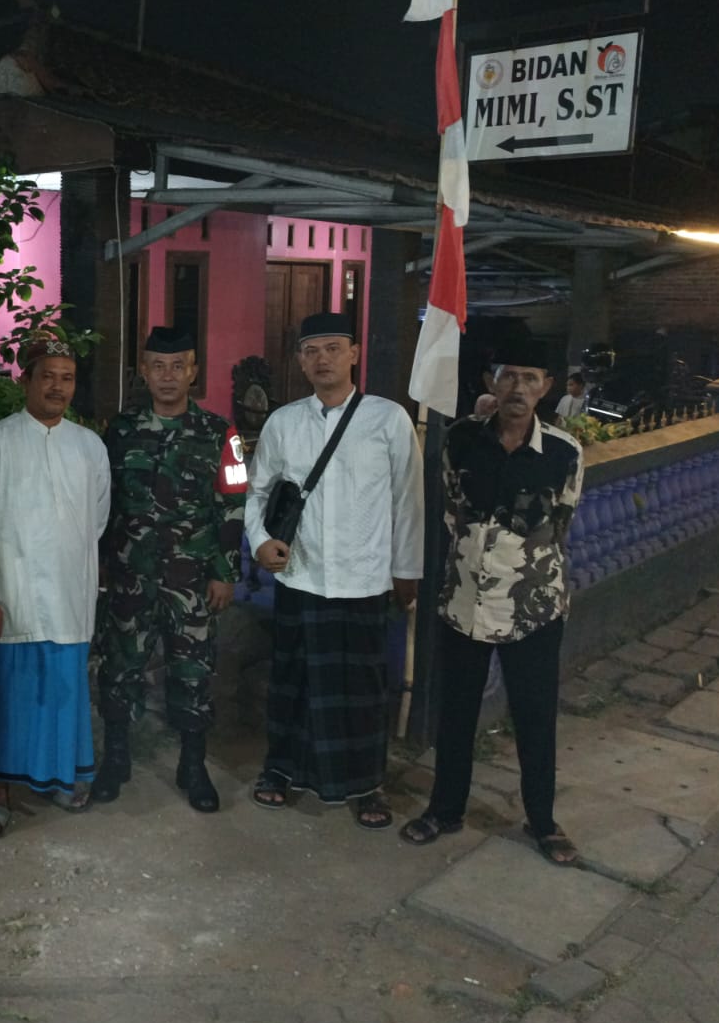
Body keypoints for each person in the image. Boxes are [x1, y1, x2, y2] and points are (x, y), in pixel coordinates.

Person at [399, 339, 585, 867]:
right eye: (508, 376)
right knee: (455, 713)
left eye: (530, 378)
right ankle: (445, 809)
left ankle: (543, 821)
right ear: (490, 383)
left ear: (546, 387)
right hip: (464, 602)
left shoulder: (564, 453)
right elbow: (450, 511)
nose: (518, 388)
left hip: (533, 609)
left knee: (534, 716)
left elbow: (562, 524)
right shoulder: (461, 441)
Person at [245, 311, 422, 830]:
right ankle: (282, 770)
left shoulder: (388, 419)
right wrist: (260, 541)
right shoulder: (283, 422)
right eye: (311, 351)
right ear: (300, 361)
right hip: (301, 574)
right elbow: (256, 492)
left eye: (332, 349)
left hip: (364, 578)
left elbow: (408, 502)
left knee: (361, 690)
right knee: (293, 682)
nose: (322, 359)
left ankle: (366, 784)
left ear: (354, 354)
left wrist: (406, 569)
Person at [93, 326, 247, 813]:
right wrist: (100, 562)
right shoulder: (119, 432)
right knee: (120, 666)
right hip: (129, 575)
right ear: (144, 371)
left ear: (193, 371)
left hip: (192, 580)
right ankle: (116, 758)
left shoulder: (222, 433)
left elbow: (234, 503)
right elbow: (103, 503)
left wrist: (225, 571)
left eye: (177, 366)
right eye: (158, 366)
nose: (167, 376)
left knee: (193, 671)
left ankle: (193, 765)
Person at [0, 338, 111, 839]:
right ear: (24, 379)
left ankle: (61, 777)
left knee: (66, 690)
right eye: (47, 376)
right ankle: (0, 791)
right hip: (14, 594)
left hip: (70, 591)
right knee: (13, 693)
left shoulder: (89, 446)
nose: (57, 387)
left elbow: (96, 518)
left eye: (67, 378)